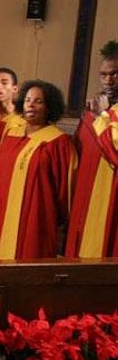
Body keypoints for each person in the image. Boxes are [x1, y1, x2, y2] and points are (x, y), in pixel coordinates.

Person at [0, 80, 77, 319]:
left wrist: (50, 218)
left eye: (39, 101)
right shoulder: (11, 134)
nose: (31, 105)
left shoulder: (57, 142)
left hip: (35, 222)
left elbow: (64, 191)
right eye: (28, 100)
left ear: (49, 107)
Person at [66, 41, 118, 258]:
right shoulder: (91, 113)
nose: (108, 80)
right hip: (85, 196)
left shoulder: (102, 113)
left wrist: (102, 117)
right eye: (103, 75)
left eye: (114, 74)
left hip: (111, 200)